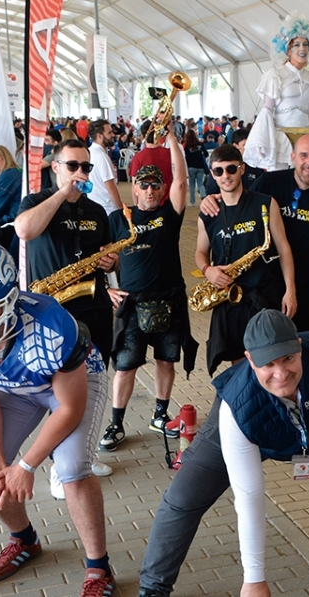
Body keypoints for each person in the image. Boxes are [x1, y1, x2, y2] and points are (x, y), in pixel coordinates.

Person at [137, 309, 309, 597]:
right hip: (256, 428)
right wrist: (254, 579)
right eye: (268, 363)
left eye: (288, 358)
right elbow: (250, 496)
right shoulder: (237, 409)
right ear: (250, 359)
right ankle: (154, 587)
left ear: (299, 346)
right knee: (182, 499)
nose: (281, 373)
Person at [0, 240, 116, 596]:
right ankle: (25, 540)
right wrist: (1, 463)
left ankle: (99, 568)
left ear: (11, 300)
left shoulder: (52, 326)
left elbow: (69, 409)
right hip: (13, 385)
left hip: (67, 383)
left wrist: (26, 466)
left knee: (72, 470)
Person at [101, 134, 200, 451]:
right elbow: (99, 259)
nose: (150, 190)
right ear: (134, 186)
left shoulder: (169, 216)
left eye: (156, 185)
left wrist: (172, 140)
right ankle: (116, 424)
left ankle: (160, 414)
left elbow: (182, 182)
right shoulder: (119, 218)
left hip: (169, 301)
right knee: (126, 366)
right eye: (144, 185)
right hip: (132, 304)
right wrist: (106, 289)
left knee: (166, 360)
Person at [206, 134, 309, 333]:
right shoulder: (269, 183)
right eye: (304, 155)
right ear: (293, 157)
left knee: (303, 351)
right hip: (262, 287)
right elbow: (239, 199)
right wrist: (214, 198)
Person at [16, 138, 119, 370]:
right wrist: (63, 193)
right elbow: (24, 230)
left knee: (96, 376)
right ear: (55, 167)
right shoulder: (35, 202)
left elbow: (109, 251)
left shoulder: (96, 210)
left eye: (86, 167)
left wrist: (112, 262)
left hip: (94, 309)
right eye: (72, 166)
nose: (80, 172)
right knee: (57, 382)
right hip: (52, 311)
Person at [195, 143, 297, 375]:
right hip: (228, 300)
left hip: (263, 296)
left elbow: (284, 248)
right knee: (239, 366)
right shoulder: (209, 211)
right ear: (212, 173)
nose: (225, 176)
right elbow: (200, 252)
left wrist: (290, 290)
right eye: (218, 171)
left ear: (242, 169)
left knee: (270, 364)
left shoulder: (264, 203)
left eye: (231, 169)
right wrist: (207, 270)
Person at [242, 16, 309, 171]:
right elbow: (267, 110)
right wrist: (262, 139)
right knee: (279, 182)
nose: (302, 49)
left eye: (306, 44)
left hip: (305, 139)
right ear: (287, 50)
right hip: (282, 140)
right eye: (297, 45)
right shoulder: (275, 74)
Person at [86, 119, 124, 215]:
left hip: (94, 206)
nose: (113, 135)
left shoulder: (88, 152)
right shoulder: (102, 157)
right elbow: (111, 187)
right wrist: (120, 210)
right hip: (108, 209)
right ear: (100, 136)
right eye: (109, 132)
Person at [183, 129, 208, 206]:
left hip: (191, 167)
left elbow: (186, 158)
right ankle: (204, 199)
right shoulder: (201, 144)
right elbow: (206, 154)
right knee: (200, 184)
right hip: (201, 167)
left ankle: (192, 202)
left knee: (192, 185)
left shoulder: (187, 146)